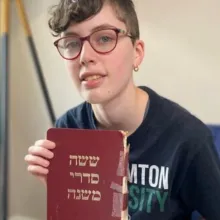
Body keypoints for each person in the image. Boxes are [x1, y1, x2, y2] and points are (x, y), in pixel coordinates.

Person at [24, 0, 220, 219]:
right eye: (71, 43)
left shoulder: (188, 139)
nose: (84, 57)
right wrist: (60, 194)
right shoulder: (68, 130)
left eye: (105, 38)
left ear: (137, 53)